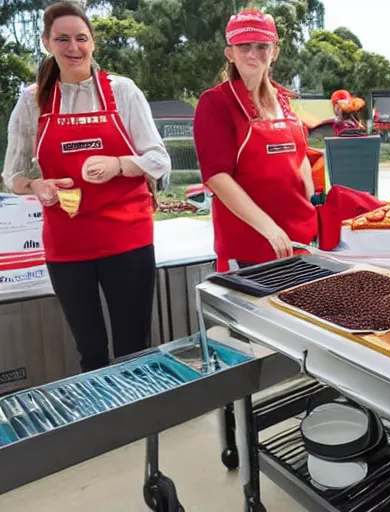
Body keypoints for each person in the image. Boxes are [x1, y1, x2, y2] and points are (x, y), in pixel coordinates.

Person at [1, 1, 171, 372]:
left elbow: (159, 159)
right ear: (47, 42)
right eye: (62, 39)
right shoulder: (33, 100)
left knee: (133, 347)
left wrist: (119, 165)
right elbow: (11, 176)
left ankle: (136, 422)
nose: (73, 47)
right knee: (90, 350)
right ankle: (106, 427)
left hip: (127, 239)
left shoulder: (122, 91)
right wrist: (36, 185)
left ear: (93, 43)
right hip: (68, 247)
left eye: (81, 38)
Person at [193, 9, 317, 272]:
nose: (252, 54)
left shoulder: (284, 100)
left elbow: (300, 155)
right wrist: (268, 228)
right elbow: (217, 177)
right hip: (250, 248)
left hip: (301, 241)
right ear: (230, 53)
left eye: (262, 46)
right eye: (244, 46)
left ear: (275, 52)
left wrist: (312, 198)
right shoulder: (216, 103)